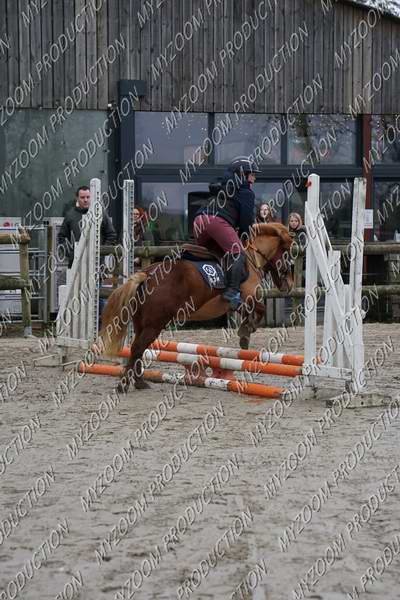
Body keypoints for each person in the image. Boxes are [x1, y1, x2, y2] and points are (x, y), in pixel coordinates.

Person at [193, 156, 260, 310]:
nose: (254, 178)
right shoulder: (246, 192)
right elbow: (246, 220)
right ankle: (232, 292)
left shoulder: (221, 186)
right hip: (216, 222)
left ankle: (209, 287)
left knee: (213, 255)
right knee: (238, 253)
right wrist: (244, 236)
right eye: (252, 174)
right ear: (243, 174)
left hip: (198, 221)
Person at [58, 185, 116, 268]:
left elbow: (111, 235)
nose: (85, 200)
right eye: (82, 197)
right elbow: (62, 237)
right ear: (77, 198)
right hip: (75, 263)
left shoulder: (101, 213)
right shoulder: (70, 215)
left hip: (97, 263)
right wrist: (71, 253)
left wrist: (101, 252)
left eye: (88, 197)